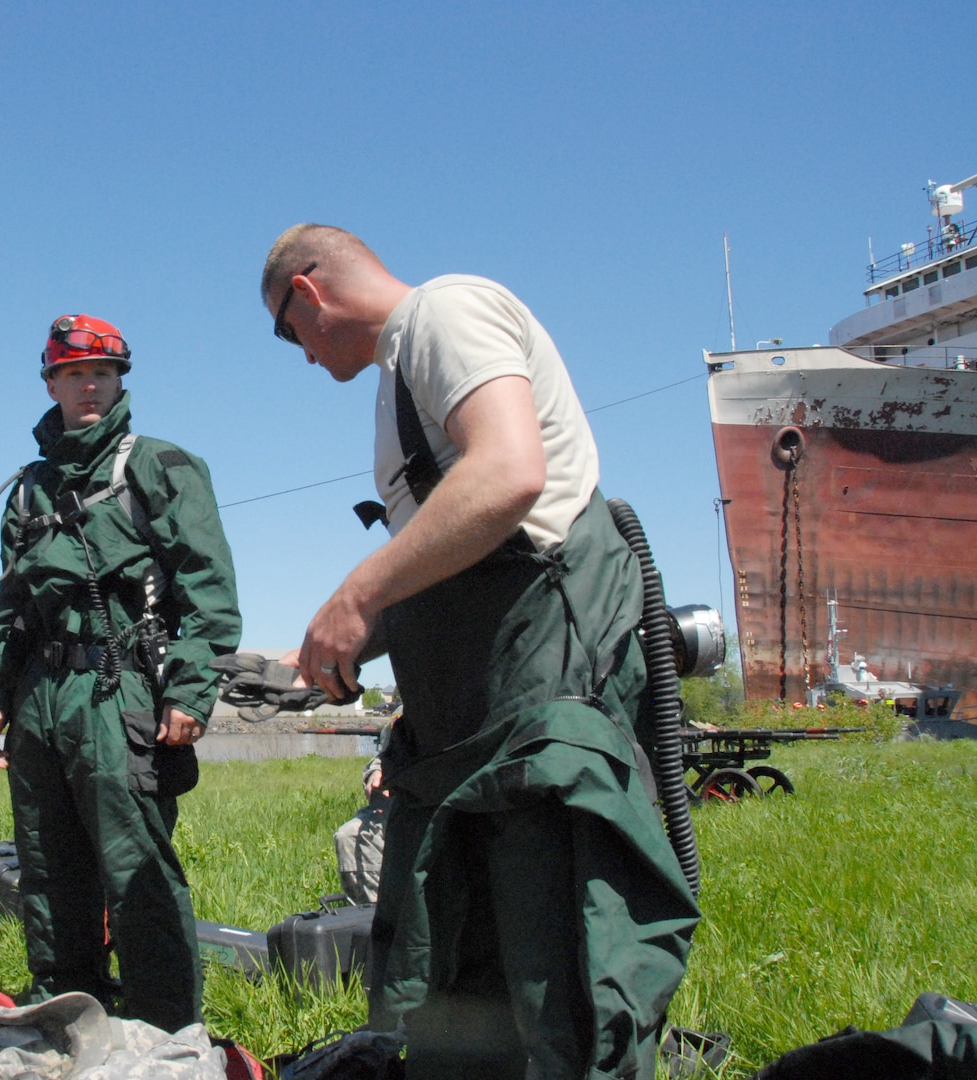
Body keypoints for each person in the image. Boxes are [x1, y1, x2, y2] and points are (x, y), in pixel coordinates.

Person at [261, 226, 700, 1079]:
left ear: (308, 295)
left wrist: (354, 595)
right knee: (462, 985)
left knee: (559, 979)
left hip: (536, 719)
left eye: (289, 334)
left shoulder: (442, 312)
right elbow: (442, 563)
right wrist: (307, 654)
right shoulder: (398, 382)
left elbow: (506, 474)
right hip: (469, 743)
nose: (303, 359)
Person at [0, 315, 241, 1033]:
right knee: (48, 872)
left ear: (120, 379)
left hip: (117, 689)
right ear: (50, 383)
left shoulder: (158, 465)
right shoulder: (28, 488)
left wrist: (188, 688)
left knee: (136, 874)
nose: (87, 385)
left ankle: (164, 1038)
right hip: (39, 697)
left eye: (101, 372)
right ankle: (66, 1027)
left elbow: (208, 588)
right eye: (72, 373)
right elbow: (12, 603)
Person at [333, 724, 392, 906]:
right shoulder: (401, 716)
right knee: (348, 835)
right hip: (394, 806)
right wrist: (375, 773)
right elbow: (382, 756)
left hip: (446, 806)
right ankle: (367, 912)